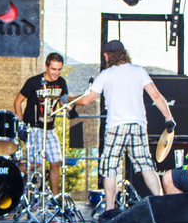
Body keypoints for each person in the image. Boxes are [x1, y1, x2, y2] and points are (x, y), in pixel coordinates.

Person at [74, 40, 174, 213]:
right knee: (146, 165)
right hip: (138, 125)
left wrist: (68, 100)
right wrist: (169, 117)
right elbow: (156, 96)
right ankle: (161, 204)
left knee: (110, 167)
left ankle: (110, 210)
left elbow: (86, 100)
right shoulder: (138, 71)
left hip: (116, 126)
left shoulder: (106, 75)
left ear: (108, 55)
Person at [14, 52, 68, 196]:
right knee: (36, 163)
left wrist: (69, 108)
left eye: (59, 69)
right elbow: (18, 102)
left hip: (50, 129)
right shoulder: (33, 82)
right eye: (53, 69)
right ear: (46, 66)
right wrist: (21, 124)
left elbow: (62, 102)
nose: (56, 73)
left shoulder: (61, 82)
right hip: (34, 128)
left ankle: (55, 198)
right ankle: (11, 172)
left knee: (56, 163)